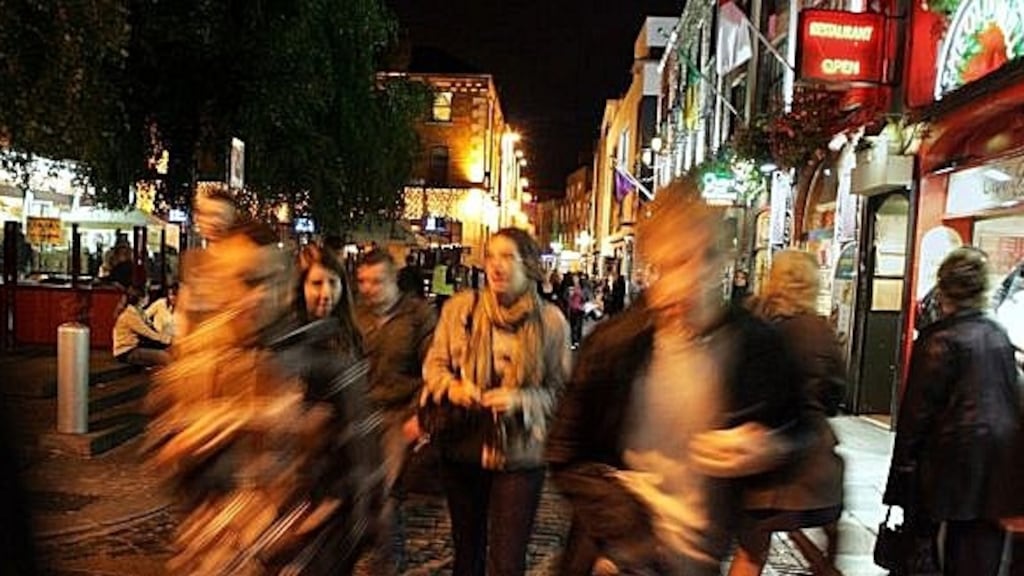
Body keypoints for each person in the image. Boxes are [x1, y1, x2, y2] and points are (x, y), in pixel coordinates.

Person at [546, 179, 810, 575]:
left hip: (697, 562)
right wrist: (627, 532)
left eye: (699, 259)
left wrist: (769, 446)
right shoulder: (613, 345)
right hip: (615, 559)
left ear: (722, 261)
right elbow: (565, 453)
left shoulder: (756, 346)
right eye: (670, 265)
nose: (687, 279)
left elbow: (803, 427)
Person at [146, 229, 385, 574]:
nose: (259, 295)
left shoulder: (326, 365)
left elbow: (365, 484)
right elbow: (164, 457)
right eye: (246, 281)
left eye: (272, 280)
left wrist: (308, 530)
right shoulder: (192, 368)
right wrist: (195, 438)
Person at [420, 227, 571, 576]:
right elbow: (434, 364)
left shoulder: (551, 322)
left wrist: (521, 399)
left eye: (508, 257)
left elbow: (561, 392)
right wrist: (454, 388)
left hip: (519, 453)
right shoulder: (461, 308)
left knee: (507, 561)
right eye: (491, 256)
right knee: (467, 553)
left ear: (529, 265)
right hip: (464, 445)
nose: (497, 266)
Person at [884, 247, 1023, 575]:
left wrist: (902, 478)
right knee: (981, 555)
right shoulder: (998, 336)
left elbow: (915, 416)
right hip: (998, 467)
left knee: (946, 550)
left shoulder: (938, 340)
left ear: (944, 290)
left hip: (952, 467)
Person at [732, 250, 845, 576]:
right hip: (812, 466)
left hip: (759, 458)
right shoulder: (819, 331)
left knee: (751, 552)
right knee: (831, 533)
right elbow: (836, 393)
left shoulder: (753, 321)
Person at [354, 248, 438, 574]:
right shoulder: (355, 316)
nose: (369, 288)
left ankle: (385, 563)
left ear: (393, 281)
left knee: (385, 490)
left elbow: (432, 368)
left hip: (399, 412)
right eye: (363, 281)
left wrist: (421, 415)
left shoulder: (417, 315)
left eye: (376, 281)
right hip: (361, 414)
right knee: (358, 488)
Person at [112, 284, 171, 367]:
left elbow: (149, 326)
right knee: (165, 357)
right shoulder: (130, 314)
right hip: (127, 352)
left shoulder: (137, 311)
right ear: (141, 299)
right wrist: (165, 339)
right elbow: (147, 332)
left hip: (134, 348)